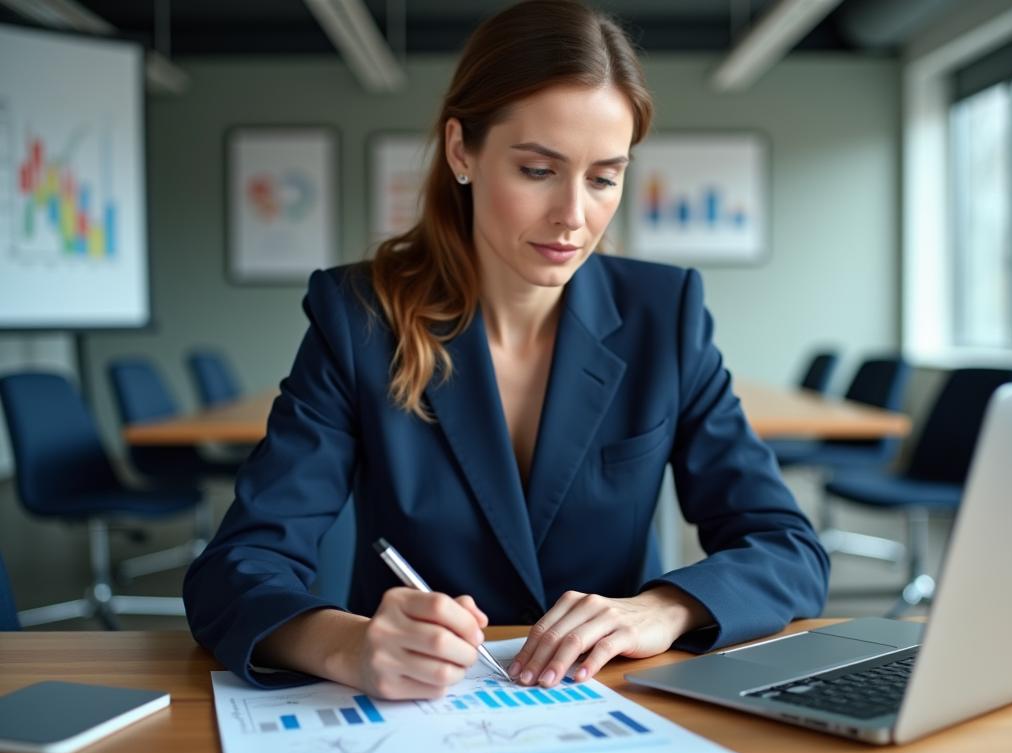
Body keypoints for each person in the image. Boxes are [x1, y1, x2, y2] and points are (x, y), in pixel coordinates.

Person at [183, 0, 829, 699]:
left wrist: (662, 609)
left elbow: (788, 549)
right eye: (537, 170)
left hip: (609, 710)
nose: (574, 216)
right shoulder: (359, 318)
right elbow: (236, 568)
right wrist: (347, 645)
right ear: (463, 151)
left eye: (604, 177)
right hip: (416, 716)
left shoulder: (662, 315)